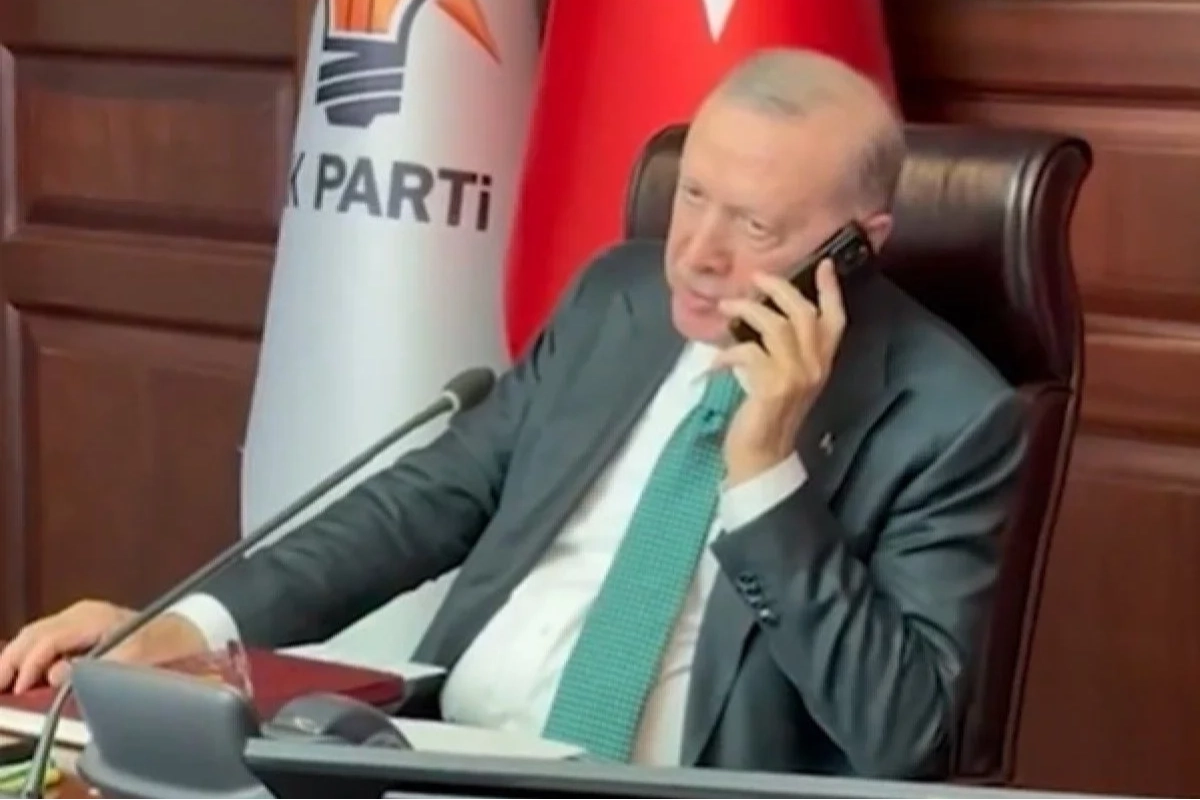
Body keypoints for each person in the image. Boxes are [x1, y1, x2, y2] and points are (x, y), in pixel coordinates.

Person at [0, 48, 1025, 778]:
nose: (696, 254)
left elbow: (905, 737)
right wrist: (182, 628)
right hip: (443, 758)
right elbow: (421, 502)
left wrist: (765, 476)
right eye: (692, 195)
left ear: (857, 245)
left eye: (753, 225)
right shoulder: (618, 302)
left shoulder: (950, 419)